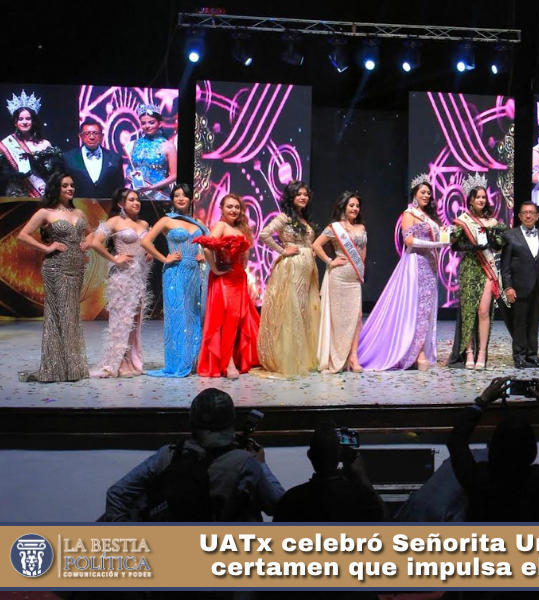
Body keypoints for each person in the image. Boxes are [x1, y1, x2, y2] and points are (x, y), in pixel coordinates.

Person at [104, 388, 285, 522]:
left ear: (192, 420)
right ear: (231, 421)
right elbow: (278, 504)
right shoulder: (245, 464)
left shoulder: (168, 455)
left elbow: (117, 494)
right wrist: (261, 465)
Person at [447, 378, 539, 522]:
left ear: (493, 444)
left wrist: (483, 401)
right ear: (531, 447)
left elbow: (457, 440)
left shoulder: (478, 479)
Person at [357, 176, 449, 371]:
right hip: (415, 264)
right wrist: (436, 244)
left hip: (430, 266)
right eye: (423, 192)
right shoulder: (409, 213)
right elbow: (409, 241)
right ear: (415, 193)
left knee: (426, 311)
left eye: (429, 193)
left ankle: (419, 351)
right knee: (416, 309)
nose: (426, 195)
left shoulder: (428, 216)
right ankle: (416, 354)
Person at [16, 172, 91, 382]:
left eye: (72, 185)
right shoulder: (45, 212)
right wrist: (47, 248)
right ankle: (60, 368)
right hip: (55, 268)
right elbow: (22, 235)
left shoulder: (78, 212)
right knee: (61, 315)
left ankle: (69, 367)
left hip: (77, 269)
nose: (70, 189)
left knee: (71, 314)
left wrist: (87, 243)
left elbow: (92, 233)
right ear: (55, 188)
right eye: (65, 185)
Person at [142, 184, 210, 378]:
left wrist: (203, 256)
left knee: (193, 316)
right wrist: (164, 258)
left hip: (194, 273)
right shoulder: (167, 220)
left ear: (190, 199)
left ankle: (192, 361)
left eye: (184, 195)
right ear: (172, 199)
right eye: (177, 195)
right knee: (178, 317)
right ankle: (177, 363)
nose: (181, 198)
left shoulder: (198, 223)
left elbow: (210, 243)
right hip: (175, 272)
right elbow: (145, 241)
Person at [257, 181, 321, 376]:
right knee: (291, 311)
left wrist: (310, 250)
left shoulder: (303, 218)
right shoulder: (284, 217)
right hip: (292, 267)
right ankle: (289, 359)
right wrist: (282, 250)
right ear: (291, 197)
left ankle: (303, 357)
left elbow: (308, 241)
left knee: (304, 310)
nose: (303, 197)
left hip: (307, 269)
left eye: (305, 194)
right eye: (298, 194)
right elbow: (264, 234)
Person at [195, 193, 260, 379]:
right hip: (225, 279)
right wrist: (215, 269)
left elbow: (245, 254)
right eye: (229, 206)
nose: (233, 210)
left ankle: (238, 359)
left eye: (237, 207)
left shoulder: (240, 228)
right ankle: (227, 362)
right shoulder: (221, 226)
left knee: (239, 319)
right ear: (221, 209)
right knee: (227, 320)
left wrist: (243, 263)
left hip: (239, 278)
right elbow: (207, 247)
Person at [88, 188, 152, 378]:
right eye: (131, 200)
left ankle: (130, 360)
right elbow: (95, 242)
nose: (136, 202)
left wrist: (149, 253)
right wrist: (114, 259)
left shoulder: (144, 223)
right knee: (120, 320)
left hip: (139, 277)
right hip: (122, 278)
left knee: (134, 319)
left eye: (137, 199)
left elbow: (146, 246)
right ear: (120, 204)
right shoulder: (114, 221)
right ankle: (117, 361)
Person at [448, 177, 507, 370]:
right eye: (477, 197)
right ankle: (469, 352)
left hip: (487, 269)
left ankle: (482, 352)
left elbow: (499, 246)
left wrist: (492, 238)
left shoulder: (492, 221)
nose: (481, 200)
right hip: (469, 268)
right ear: (471, 200)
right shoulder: (463, 221)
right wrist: (472, 247)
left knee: (483, 310)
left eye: (483, 197)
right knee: (469, 312)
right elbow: (454, 245)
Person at [273, 422, 385, 522]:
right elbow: (384, 522)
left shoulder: (291, 499)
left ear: (309, 455)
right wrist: (362, 477)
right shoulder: (362, 497)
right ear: (340, 455)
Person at [313, 191, 367, 374]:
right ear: (344, 207)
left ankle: (353, 357)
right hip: (339, 278)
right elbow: (316, 245)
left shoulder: (361, 227)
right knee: (338, 319)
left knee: (356, 317)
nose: (355, 208)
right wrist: (330, 261)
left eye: (357, 206)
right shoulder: (335, 227)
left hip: (354, 279)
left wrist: (360, 271)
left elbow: (363, 251)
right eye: (351, 205)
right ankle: (336, 357)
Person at [501, 201, 539, 369]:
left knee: (534, 323)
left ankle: (532, 355)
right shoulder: (510, 236)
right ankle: (519, 356)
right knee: (519, 323)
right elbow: (505, 265)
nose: (528, 215)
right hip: (519, 286)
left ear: (537, 216)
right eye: (524, 212)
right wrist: (508, 287)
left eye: (531, 212)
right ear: (519, 216)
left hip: (538, 287)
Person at [1, 91, 61, 197]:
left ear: (33, 121)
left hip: (41, 195)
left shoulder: (44, 144)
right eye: (20, 119)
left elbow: (54, 174)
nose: (24, 122)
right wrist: (11, 175)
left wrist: (37, 165)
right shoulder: (6, 144)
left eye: (28, 119)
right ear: (15, 122)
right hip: (15, 196)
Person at [123, 104, 176, 201]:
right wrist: (129, 176)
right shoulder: (134, 144)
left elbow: (174, 176)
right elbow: (129, 169)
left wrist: (152, 187)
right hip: (137, 195)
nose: (147, 126)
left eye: (151, 123)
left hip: (159, 195)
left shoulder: (168, 146)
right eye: (143, 123)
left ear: (159, 124)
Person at [62, 118, 124, 199]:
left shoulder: (114, 158)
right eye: (87, 133)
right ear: (80, 136)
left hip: (107, 205)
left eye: (95, 133)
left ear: (102, 136)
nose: (91, 137)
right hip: (77, 205)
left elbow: (120, 188)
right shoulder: (69, 157)